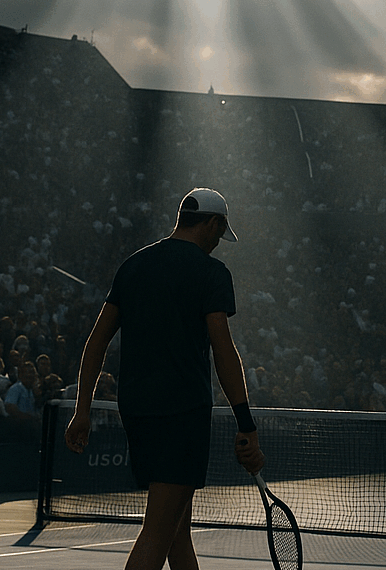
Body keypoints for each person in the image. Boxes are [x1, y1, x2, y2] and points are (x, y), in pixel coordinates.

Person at [64, 188, 264, 570]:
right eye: (220, 234)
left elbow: (96, 342)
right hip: (182, 411)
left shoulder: (134, 265)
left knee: (176, 529)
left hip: (137, 410)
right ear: (214, 223)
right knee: (158, 530)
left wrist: (82, 411)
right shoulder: (212, 273)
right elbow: (224, 350)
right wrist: (246, 423)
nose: (218, 244)